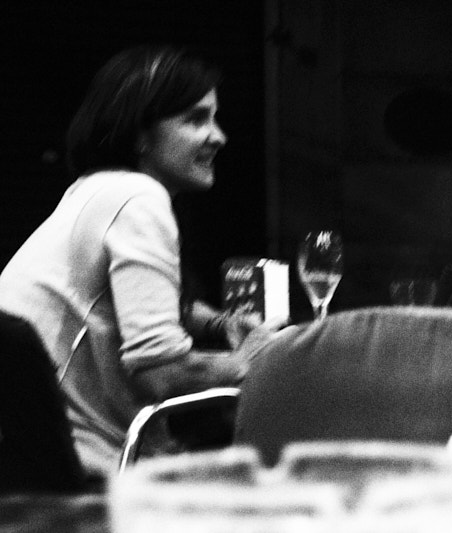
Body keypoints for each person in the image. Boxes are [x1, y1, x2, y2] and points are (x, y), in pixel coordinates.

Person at [0, 45, 274, 477]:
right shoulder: (139, 198)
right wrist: (254, 359)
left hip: (26, 459)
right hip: (89, 464)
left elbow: (121, 299)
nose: (218, 136)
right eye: (196, 119)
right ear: (139, 135)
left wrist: (218, 324)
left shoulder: (96, 190)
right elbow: (160, 372)